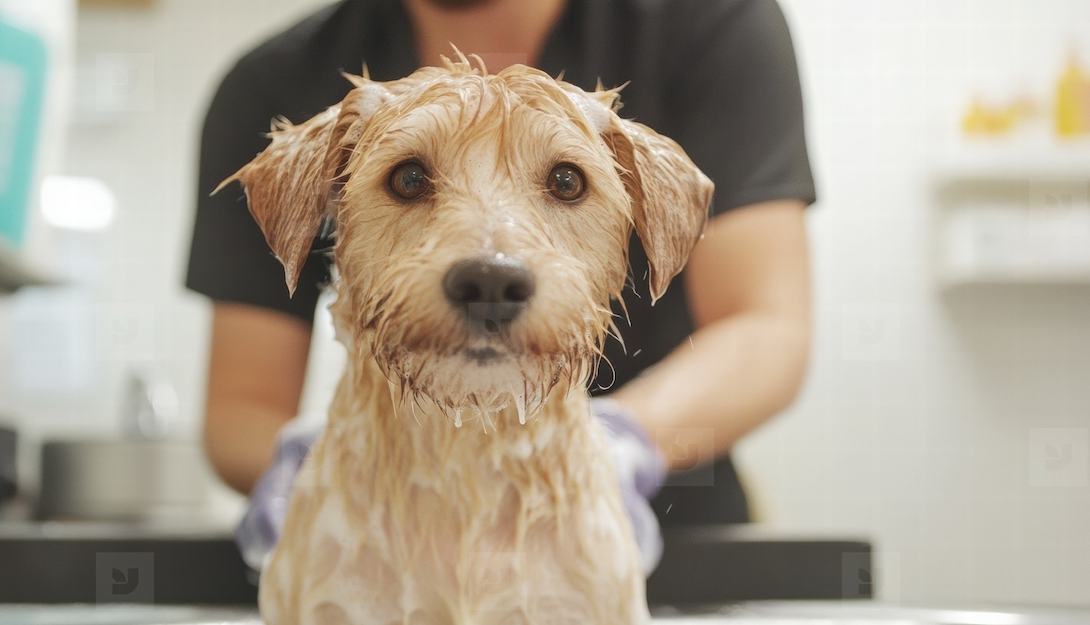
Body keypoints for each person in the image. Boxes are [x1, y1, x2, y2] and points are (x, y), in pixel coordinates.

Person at [186, 0, 814, 558]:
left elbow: (764, 327)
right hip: (385, 542)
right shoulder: (273, 81)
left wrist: (613, 452)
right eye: (410, 181)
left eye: (565, 183)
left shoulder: (711, 20)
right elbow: (244, 406)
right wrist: (318, 470)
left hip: (667, 532)